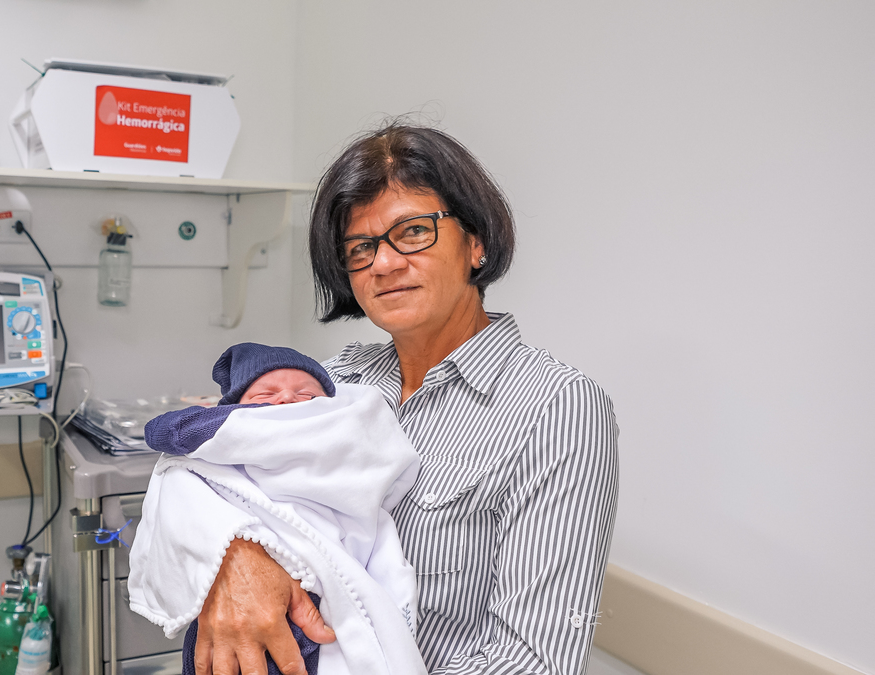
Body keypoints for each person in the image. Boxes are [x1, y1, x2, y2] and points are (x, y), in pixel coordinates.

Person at [134, 122, 620, 675]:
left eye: (412, 232)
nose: (384, 264)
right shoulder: (337, 380)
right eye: (361, 247)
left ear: (476, 242)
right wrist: (235, 554)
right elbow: (192, 474)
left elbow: (533, 660)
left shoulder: (557, 407)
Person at [131, 343, 427, 675]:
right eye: (265, 395)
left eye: (308, 394)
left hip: (324, 583)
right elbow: (168, 436)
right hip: (252, 592)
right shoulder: (236, 430)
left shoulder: (346, 420)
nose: (287, 399)